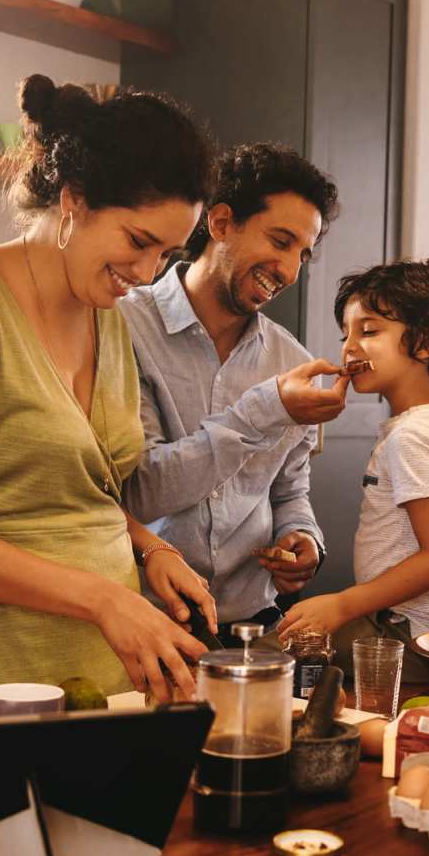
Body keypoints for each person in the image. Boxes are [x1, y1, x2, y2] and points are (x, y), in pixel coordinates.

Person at [0, 75, 218, 720]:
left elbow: (67, 488)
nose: (146, 274)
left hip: (93, 671)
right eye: (138, 241)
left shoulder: (107, 315)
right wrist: (105, 599)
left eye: (167, 255)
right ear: (74, 199)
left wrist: (148, 547)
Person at [120, 143, 348, 641]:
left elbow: (289, 490)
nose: (289, 270)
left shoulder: (291, 360)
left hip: (253, 628)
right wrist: (263, 411)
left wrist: (303, 540)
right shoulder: (123, 327)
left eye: (302, 255)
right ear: (221, 223)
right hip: (147, 625)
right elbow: (140, 492)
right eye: (280, 241)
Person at [277, 258, 429, 676]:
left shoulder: (411, 437)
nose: (349, 347)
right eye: (346, 334)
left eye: (369, 330)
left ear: (426, 342)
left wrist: (341, 604)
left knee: (277, 659)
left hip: (417, 639)